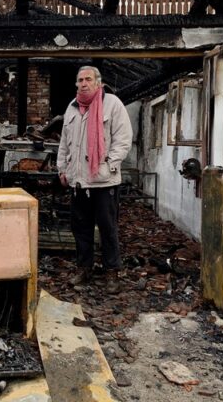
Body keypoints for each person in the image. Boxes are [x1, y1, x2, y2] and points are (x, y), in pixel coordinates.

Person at [57, 66, 133, 294]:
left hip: (104, 182)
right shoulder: (72, 108)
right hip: (79, 182)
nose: (83, 83)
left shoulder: (112, 104)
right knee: (81, 229)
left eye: (88, 79)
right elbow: (64, 144)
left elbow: (123, 139)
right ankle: (84, 269)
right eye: (80, 80)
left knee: (108, 230)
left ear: (98, 82)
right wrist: (62, 170)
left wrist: (110, 164)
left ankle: (112, 273)